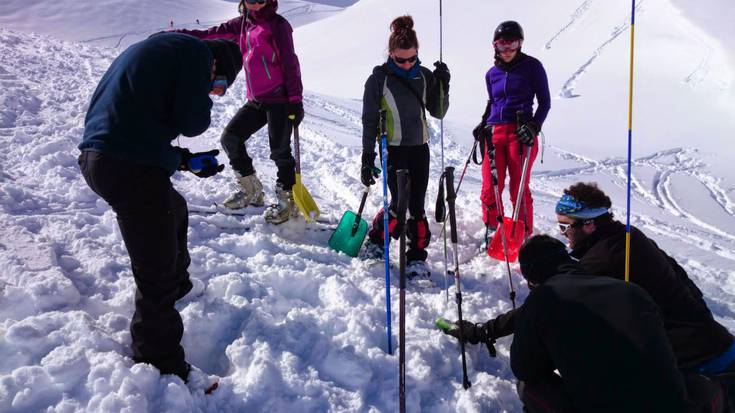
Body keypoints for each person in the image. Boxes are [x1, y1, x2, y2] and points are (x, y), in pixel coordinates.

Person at [78, 32, 242, 382]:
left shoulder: (164, 50)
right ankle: (158, 361)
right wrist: (205, 94)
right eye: (220, 85)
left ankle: (179, 284)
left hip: (103, 158)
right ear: (217, 64)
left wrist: (185, 161)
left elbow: (140, 126)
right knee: (156, 268)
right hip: (126, 165)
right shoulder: (197, 54)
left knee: (174, 207)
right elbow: (193, 121)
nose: (214, 92)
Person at [444, 235, 706, 412]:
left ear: (532, 279)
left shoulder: (545, 300)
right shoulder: (630, 290)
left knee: (531, 388)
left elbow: (525, 369)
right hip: (677, 404)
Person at [175, 0, 304, 224]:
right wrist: (176, 36)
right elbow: (209, 35)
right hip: (257, 99)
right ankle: (251, 190)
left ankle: (287, 201)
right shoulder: (242, 24)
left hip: (280, 99)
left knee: (280, 151)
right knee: (231, 138)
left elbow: (290, 62)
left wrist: (295, 99)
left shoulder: (278, 25)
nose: (255, 4)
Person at [360, 15, 450, 278]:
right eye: (401, 59)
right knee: (399, 203)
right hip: (394, 149)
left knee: (418, 206)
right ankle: (377, 240)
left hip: (420, 148)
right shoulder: (379, 79)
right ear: (391, 54)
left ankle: (416, 257)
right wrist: (367, 157)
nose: (408, 63)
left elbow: (438, 111)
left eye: (412, 58)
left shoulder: (424, 76)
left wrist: (444, 83)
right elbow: (368, 121)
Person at [474, 21, 550, 243]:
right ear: (494, 46)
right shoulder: (491, 74)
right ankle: (491, 227)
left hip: (521, 134)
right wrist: (483, 123)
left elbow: (544, 102)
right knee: (490, 185)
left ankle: (522, 233)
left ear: (520, 44)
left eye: (512, 44)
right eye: (501, 45)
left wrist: (534, 126)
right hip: (494, 133)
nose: (507, 51)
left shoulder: (532, 67)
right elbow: (493, 102)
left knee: (518, 187)